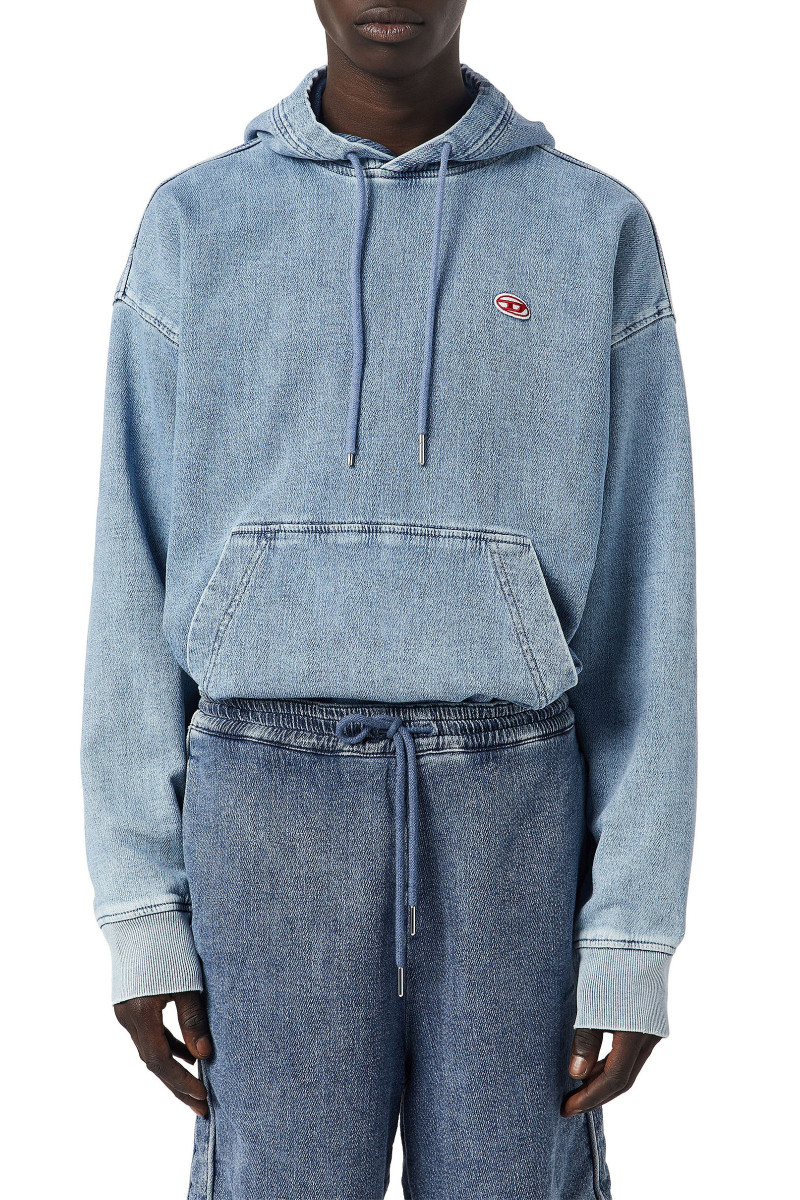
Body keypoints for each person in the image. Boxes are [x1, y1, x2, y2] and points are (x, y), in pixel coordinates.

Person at [81, 1, 696, 1196]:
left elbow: (647, 592)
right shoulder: (197, 221)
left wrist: (629, 935)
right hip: (262, 802)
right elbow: (130, 561)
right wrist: (140, 911)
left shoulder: (591, 225)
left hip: (513, 799)